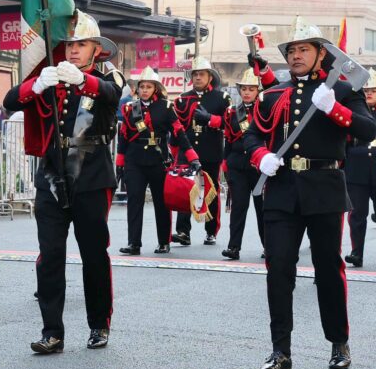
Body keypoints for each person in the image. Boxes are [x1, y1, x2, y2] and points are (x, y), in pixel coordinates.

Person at [243, 16, 375, 369]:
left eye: (304, 49)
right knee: (279, 269)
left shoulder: (343, 90)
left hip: (324, 186)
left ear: (321, 55)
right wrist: (261, 157)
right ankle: (280, 352)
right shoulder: (273, 94)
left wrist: (335, 108)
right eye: (292, 50)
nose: (296, 55)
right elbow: (251, 136)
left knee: (328, 270)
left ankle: (338, 342)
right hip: (283, 189)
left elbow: (367, 129)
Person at [2, 11, 123, 354]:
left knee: (93, 255)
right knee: (50, 255)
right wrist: (37, 85)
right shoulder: (51, 77)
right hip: (53, 174)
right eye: (69, 44)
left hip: (90, 174)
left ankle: (99, 324)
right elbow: (11, 100)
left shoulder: (106, 75)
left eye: (81, 44)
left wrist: (83, 81)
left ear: (96, 49)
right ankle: (52, 331)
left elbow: (113, 95)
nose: (72, 51)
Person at [116, 66, 200, 255]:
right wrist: (120, 164)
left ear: (156, 88)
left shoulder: (166, 107)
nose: (144, 90)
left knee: (162, 203)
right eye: (142, 86)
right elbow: (123, 138)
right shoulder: (130, 108)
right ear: (137, 89)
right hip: (134, 160)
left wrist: (192, 156)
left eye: (148, 86)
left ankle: (164, 241)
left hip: (158, 160)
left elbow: (179, 132)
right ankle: (134, 243)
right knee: (134, 201)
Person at [170, 57, 230, 246]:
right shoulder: (182, 99)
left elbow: (230, 124)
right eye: (195, 74)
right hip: (188, 150)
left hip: (211, 147)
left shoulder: (221, 98)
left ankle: (211, 231)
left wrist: (211, 119)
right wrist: (174, 153)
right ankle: (183, 231)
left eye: (201, 74)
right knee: (185, 189)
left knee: (211, 190)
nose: (197, 77)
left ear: (210, 77)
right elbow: (176, 128)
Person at [221, 67, 270, 260]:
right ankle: (234, 247)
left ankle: (268, 246)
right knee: (239, 208)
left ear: (257, 91)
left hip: (258, 166)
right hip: (238, 165)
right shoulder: (232, 111)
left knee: (263, 210)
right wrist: (225, 162)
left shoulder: (265, 110)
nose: (247, 92)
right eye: (244, 89)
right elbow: (228, 139)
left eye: (251, 89)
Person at [344, 69, 376, 268]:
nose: (369, 94)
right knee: (357, 216)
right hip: (356, 171)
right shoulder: (355, 111)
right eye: (365, 90)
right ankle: (356, 253)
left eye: (373, 90)